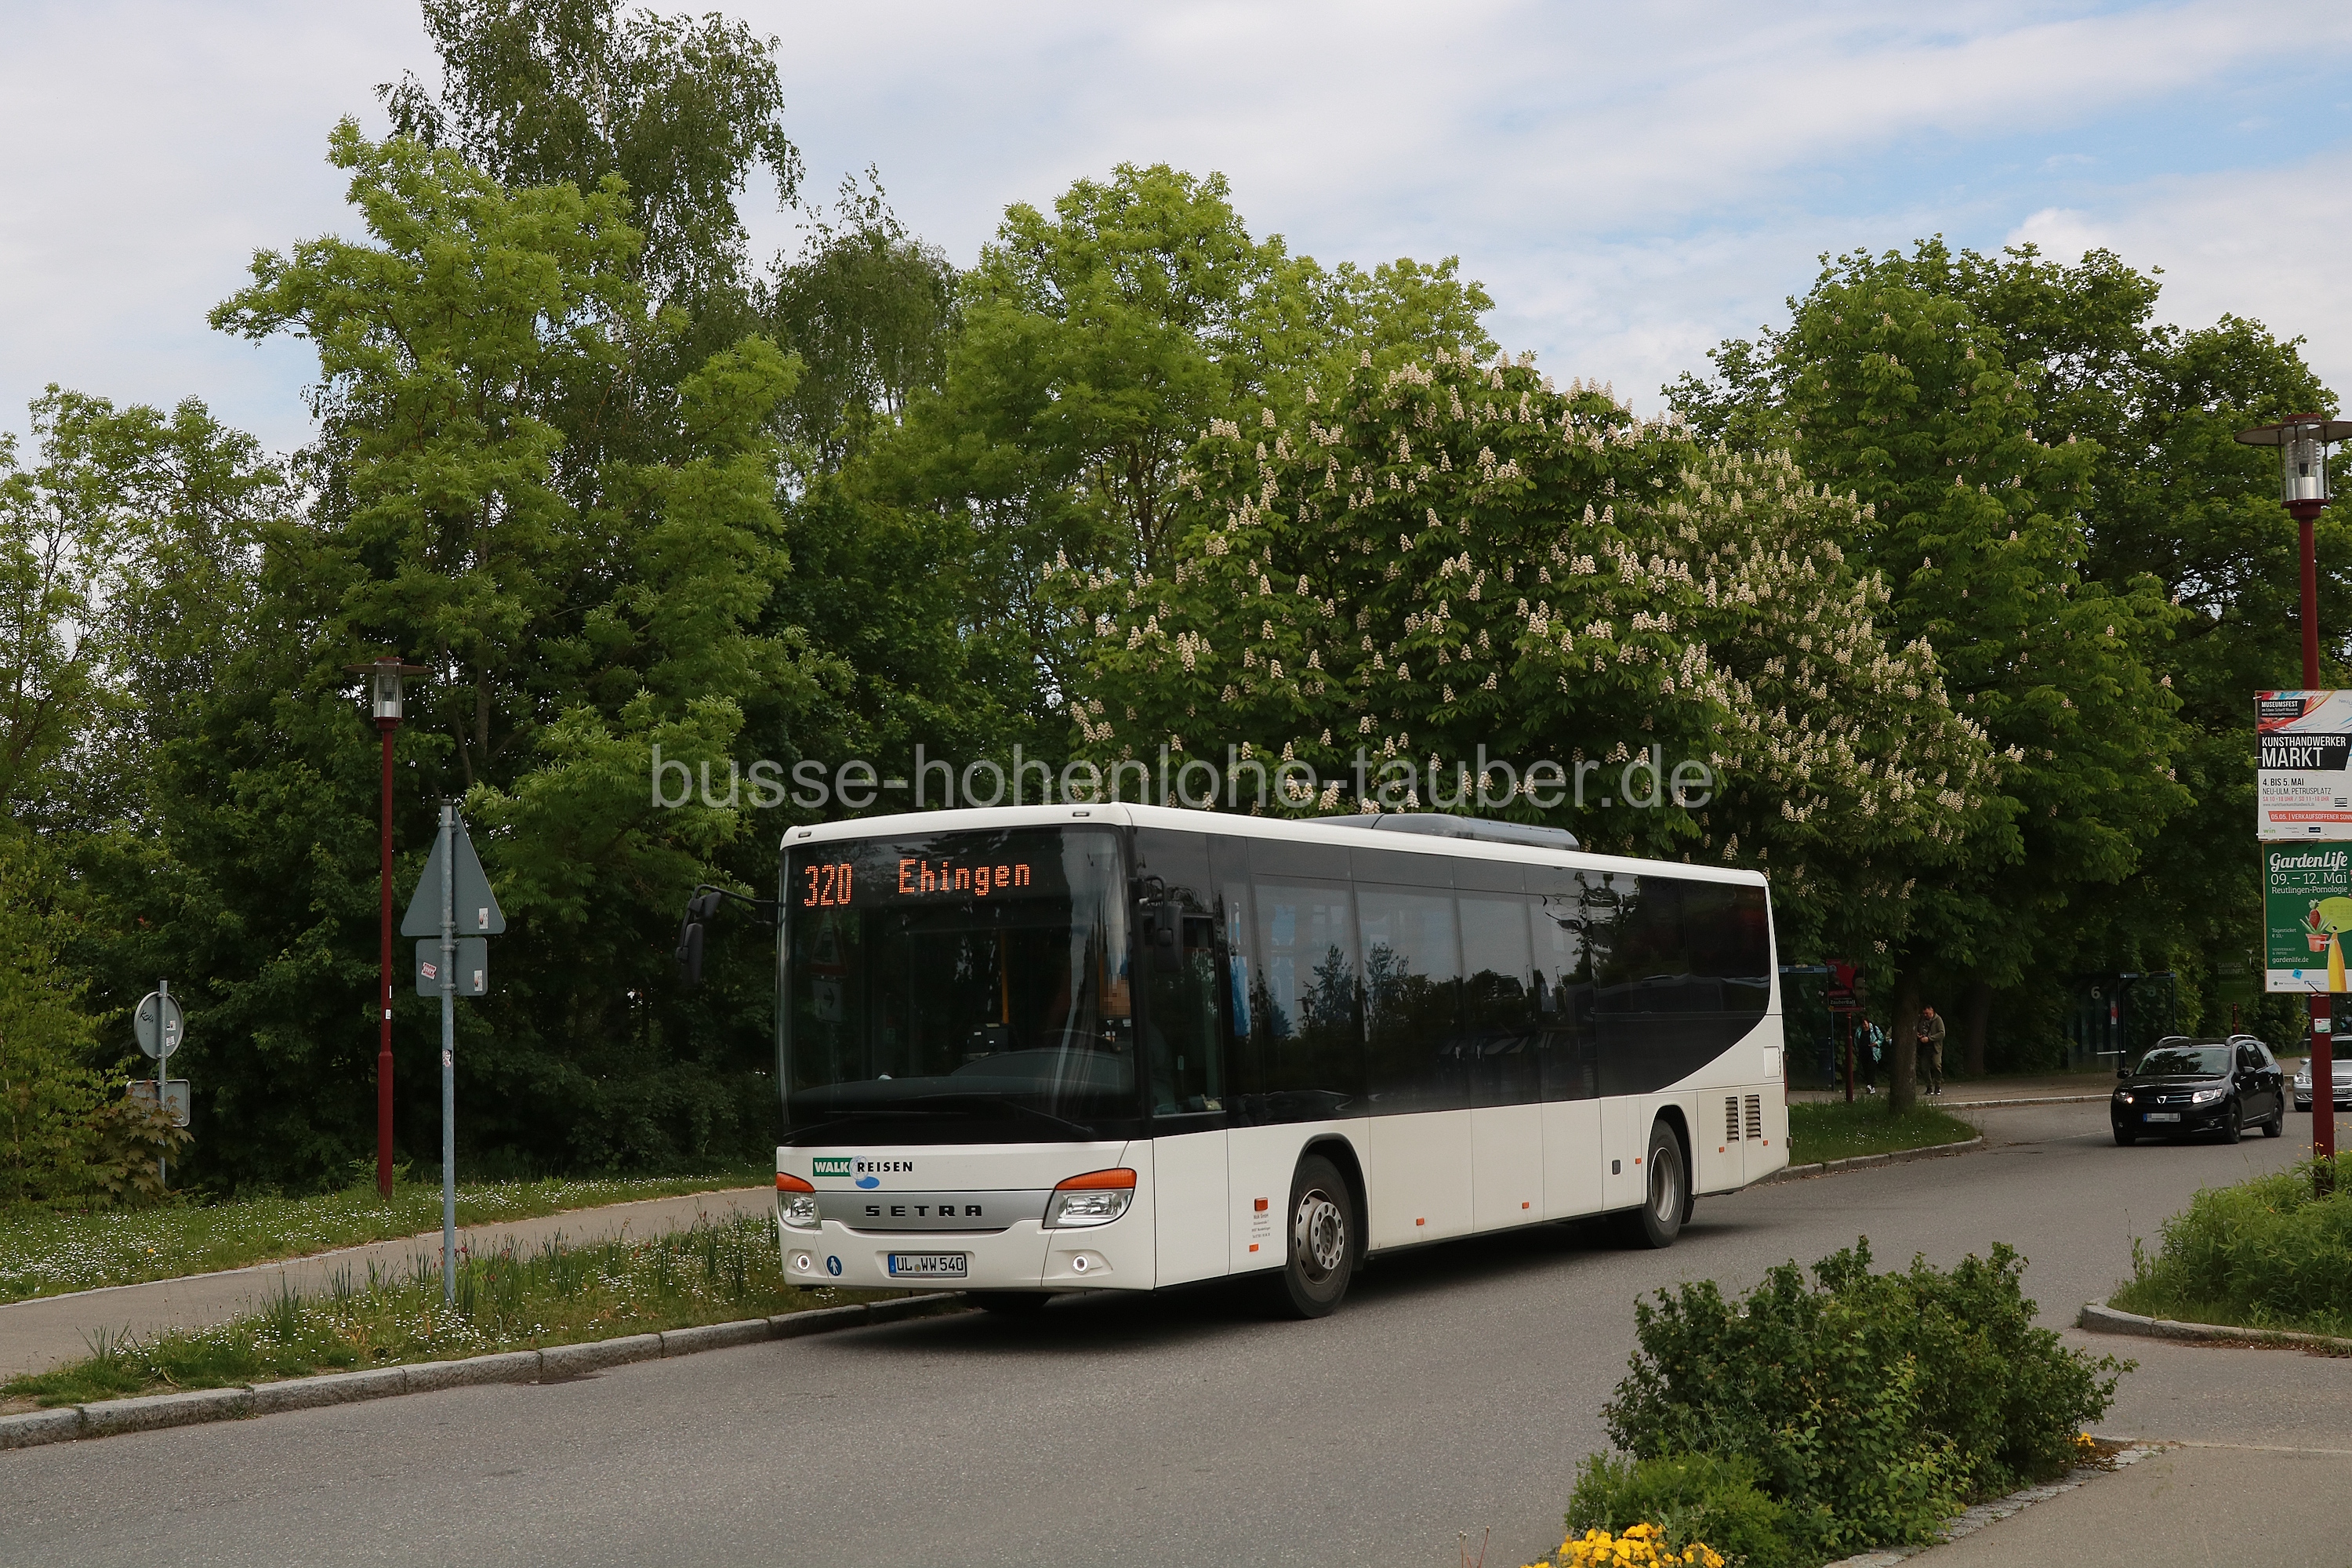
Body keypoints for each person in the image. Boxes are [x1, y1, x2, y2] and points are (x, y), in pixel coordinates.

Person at [1918, 1004, 1947, 1095]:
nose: (1925, 1015)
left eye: (1927, 1013)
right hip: (1924, 1047)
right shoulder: (1921, 1019)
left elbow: (1942, 1033)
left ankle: (1938, 1086)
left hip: (1935, 1047)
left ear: (1932, 1011)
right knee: (1924, 1068)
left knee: (1936, 1065)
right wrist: (1918, 1035)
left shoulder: (1938, 1020)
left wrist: (1930, 1038)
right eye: (1924, 1013)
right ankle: (1929, 1087)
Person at [1858, 1015, 1883, 1094]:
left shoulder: (1874, 1029)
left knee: (1871, 1069)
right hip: (1863, 1052)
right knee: (1866, 1069)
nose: (1864, 1026)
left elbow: (1881, 1038)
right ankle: (1871, 1087)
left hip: (1873, 1053)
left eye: (1865, 1024)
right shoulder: (1859, 1031)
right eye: (1862, 1024)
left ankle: (1870, 1085)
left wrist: (1876, 1043)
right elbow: (1856, 1040)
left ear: (1868, 1023)